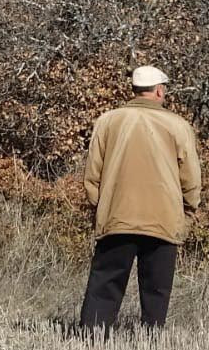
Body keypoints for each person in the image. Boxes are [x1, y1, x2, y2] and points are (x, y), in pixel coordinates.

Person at [79, 66, 201, 333]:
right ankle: (149, 342)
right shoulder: (178, 126)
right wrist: (189, 210)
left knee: (105, 284)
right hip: (164, 218)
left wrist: (99, 206)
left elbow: (92, 175)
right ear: (159, 90)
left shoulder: (108, 120)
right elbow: (190, 178)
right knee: (156, 289)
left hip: (116, 216)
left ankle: (90, 340)